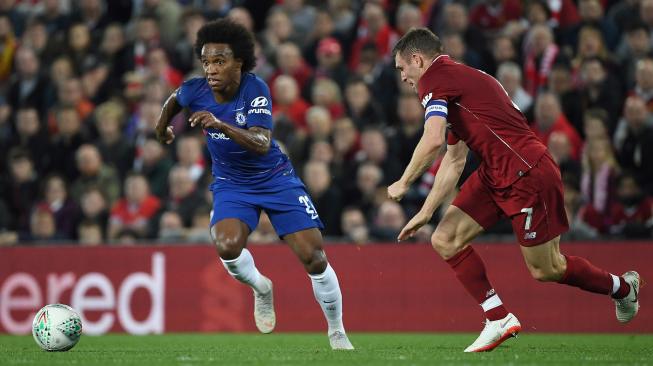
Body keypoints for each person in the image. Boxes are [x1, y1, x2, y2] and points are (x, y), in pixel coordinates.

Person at [388, 28, 641, 353]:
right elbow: (453, 159)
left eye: (402, 69)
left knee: (547, 269)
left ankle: (622, 288)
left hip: (527, 173)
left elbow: (433, 138)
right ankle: (497, 317)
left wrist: (404, 181)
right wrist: (424, 213)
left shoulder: (434, 79)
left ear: (417, 60)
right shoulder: (457, 81)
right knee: (444, 238)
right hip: (496, 172)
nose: (404, 78)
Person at [155, 19, 353, 350]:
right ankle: (261, 287)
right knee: (227, 246)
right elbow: (174, 100)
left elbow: (261, 142)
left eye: (219, 61)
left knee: (314, 257)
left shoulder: (255, 87)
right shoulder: (195, 88)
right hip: (232, 183)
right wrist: (162, 129)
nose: (211, 69)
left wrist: (220, 123)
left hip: (275, 178)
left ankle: (337, 331)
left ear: (240, 62)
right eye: (206, 61)